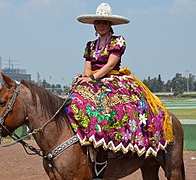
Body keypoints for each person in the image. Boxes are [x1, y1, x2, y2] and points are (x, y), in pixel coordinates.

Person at [66, 3, 173, 179]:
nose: (101, 25)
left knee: (115, 107)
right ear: (94, 25)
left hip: (113, 79)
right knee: (74, 101)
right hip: (94, 79)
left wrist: (93, 78)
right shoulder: (90, 45)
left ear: (110, 25)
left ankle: (116, 146)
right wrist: (86, 79)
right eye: (98, 22)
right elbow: (87, 67)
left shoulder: (118, 41)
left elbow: (110, 64)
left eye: (104, 22)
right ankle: (85, 146)